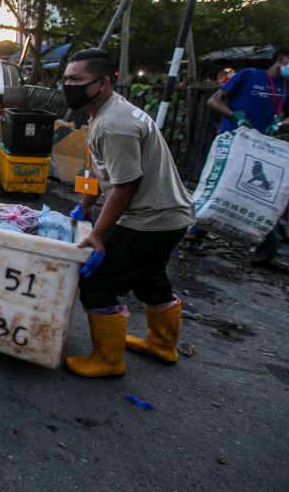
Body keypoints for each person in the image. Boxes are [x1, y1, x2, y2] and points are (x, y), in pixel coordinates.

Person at [62, 49, 195, 379]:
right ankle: (162, 345)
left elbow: (125, 187)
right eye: (66, 79)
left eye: (77, 80)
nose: (69, 85)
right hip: (170, 216)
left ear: (103, 83)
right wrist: (87, 205)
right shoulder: (106, 114)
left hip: (151, 219)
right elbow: (97, 168)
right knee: (149, 277)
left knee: (97, 282)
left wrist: (98, 234)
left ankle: (108, 360)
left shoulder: (114, 124)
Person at [184, 45, 289, 271]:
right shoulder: (249, 75)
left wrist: (280, 123)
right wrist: (235, 116)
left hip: (262, 145)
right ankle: (194, 233)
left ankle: (265, 252)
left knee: (264, 195)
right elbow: (215, 100)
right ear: (282, 59)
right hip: (234, 141)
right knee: (223, 188)